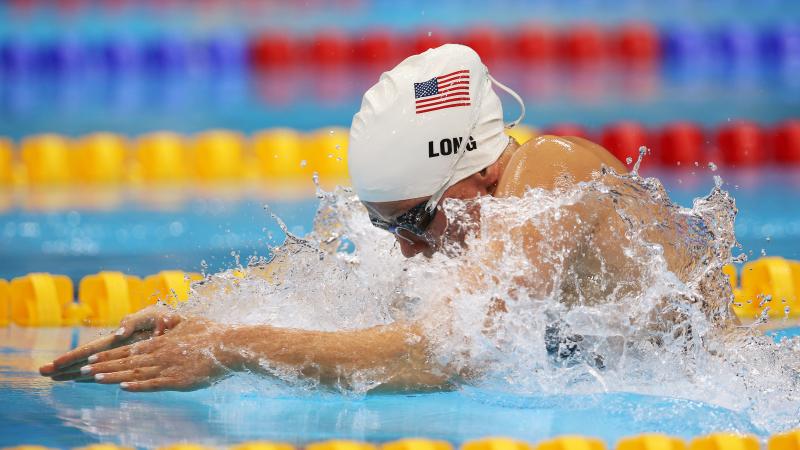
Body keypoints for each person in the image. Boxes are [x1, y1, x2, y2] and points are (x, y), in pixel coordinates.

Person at [39, 44, 723, 392]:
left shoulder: (545, 173)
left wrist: (232, 350)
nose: (410, 252)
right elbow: (338, 313)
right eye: (389, 229)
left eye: (417, 221)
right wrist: (190, 325)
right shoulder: (485, 220)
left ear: (478, 169)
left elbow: (443, 353)